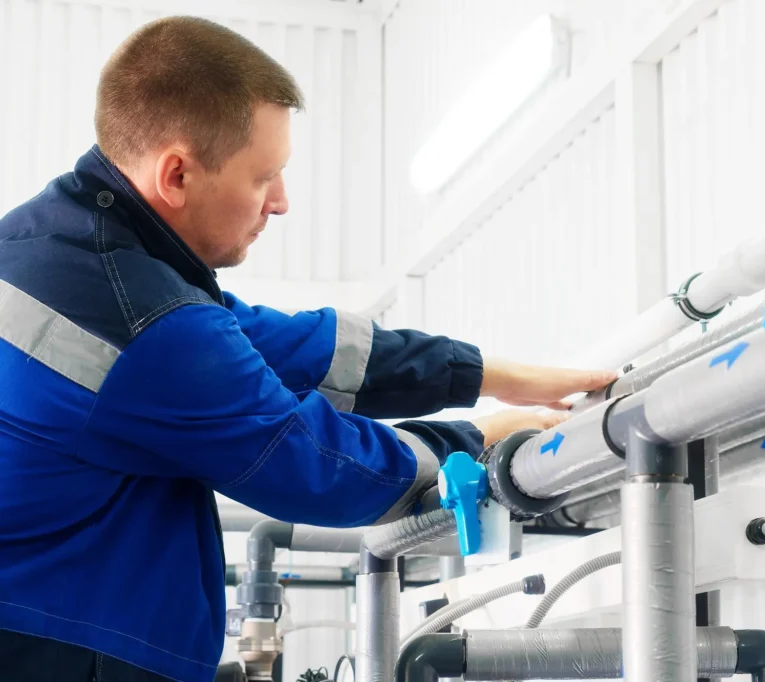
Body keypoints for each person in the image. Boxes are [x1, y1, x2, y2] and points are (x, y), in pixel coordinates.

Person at [0, 16, 615, 682]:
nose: (282, 202)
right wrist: (478, 437)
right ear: (176, 173)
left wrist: (498, 376)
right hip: (59, 651)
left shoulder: (56, 250)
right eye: (264, 178)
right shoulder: (148, 321)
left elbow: (295, 347)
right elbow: (320, 467)